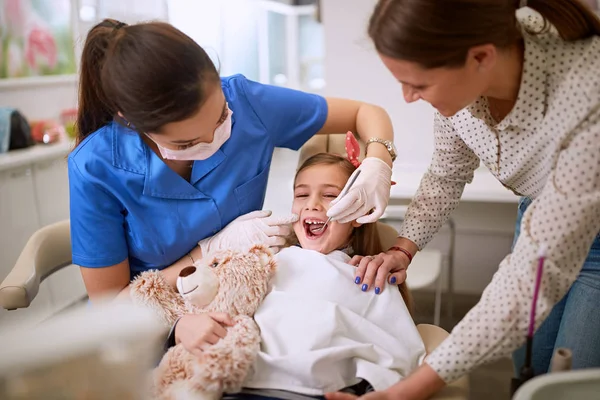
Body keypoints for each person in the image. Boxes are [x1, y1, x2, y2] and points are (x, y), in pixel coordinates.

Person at [69, 20, 398, 360]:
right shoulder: (95, 167)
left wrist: (378, 161)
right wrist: (198, 273)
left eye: (220, 118)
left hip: (245, 309)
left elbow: (366, 113)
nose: (213, 142)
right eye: (188, 142)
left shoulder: (248, 103)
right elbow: (111, 308)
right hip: (154, 332)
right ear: (131, 120)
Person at [325, 1, 600, 400]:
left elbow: (526, 283)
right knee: (532, 364)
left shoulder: (586, 94)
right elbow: (446, 174)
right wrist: (404, 248)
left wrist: (404, 391)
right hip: (539, 214)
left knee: (564, 382)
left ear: (481, 58)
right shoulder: (468, 80)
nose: (408, 98)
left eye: (418, 84)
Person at [166, 152, 425, 399]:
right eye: (301, 194)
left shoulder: (369, 276)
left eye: (329, 195)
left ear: (358, 212)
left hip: (312, 392)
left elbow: (402, 354)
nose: (312, 204)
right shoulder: (263, 265)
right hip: (236, 385)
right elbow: (207, 300)